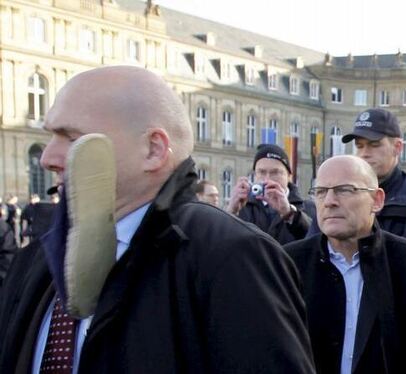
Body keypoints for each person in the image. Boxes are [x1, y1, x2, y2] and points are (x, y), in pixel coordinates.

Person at [0, 66, 315, 373]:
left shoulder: (234, 257)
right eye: (50, 136)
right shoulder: (39, 258)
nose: (48, 158)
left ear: (153, 149)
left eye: (71, 138)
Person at [286, 155, 406, 374]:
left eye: (344, 190)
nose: (329, 200)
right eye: (321, 191)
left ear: (377, 200)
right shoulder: (290, 263)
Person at [322, 108, 406, 259]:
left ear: (397, 147)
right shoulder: (335, 199)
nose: (364, 153)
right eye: (359, 146)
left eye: (374, 145)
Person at [228, 143, 314, 245]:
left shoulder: (308, 207)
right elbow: (223, 242)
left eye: (275, 172)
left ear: (289, 176)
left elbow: (316, 239)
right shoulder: (243, 207)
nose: (267, 179)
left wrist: (290, 214)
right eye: (262, 172)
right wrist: (231, 212)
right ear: (254, 175)